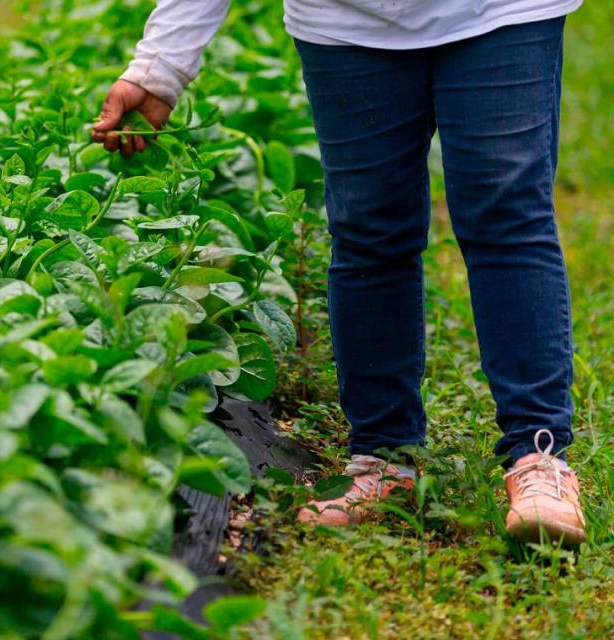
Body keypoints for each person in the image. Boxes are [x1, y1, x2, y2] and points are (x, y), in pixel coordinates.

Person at [92, 0, 587, 545]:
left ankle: (538, 458)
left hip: (501, 13)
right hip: (344, 24)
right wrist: (160, 65)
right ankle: (384, 460)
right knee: (369, 229)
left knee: (506, 213)